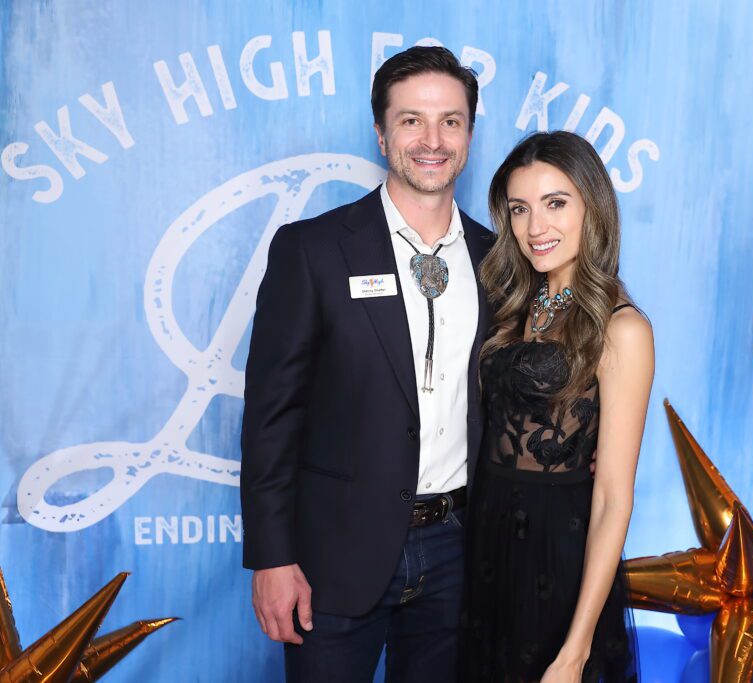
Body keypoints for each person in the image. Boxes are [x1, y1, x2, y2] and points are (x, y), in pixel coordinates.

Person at [240, 46, 493, 682]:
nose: (432, 140)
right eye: (411, 121)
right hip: (334, 554)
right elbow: (271, 418)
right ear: (381, 133)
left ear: (468, 133)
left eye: (451, 121)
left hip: (461, 549)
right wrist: (272, 559)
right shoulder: (313, 250)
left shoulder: (500, 261)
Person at [461, 131, 655, 683]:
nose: (535, 227)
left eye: (555, 203)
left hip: (559, 560)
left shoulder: (622, 328)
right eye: (519, 209)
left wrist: (575, 651)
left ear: (592, 205)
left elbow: (614, 499)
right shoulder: (513, 302)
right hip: (486, 547)